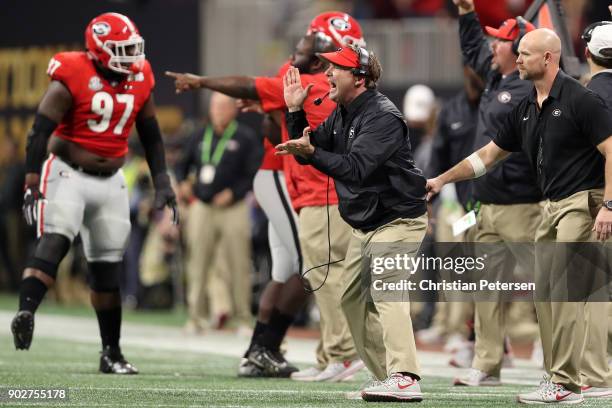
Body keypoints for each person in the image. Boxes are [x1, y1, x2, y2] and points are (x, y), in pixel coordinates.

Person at [166, 12, 365, 381]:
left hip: (306, 184)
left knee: (295, 269)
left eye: (309, 40)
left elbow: (276, 124)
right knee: (309, 267)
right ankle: (286, 349)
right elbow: (272, 128)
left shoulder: (335, 86)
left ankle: (267, 349)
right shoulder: (299, 76)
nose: (300, 45)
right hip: (280, 178)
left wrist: (211, 86)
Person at [426, 28, 612, 404]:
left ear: (548, 58)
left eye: (526, 53)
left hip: (582, 202)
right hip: (552, 206)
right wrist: (440, 179)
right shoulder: (527, 107)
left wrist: (608, 205)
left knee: (565, 293)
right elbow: (487, 156)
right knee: (546, 295)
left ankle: (566, 382)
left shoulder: (581, 99)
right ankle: (562, 378)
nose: (519, 58)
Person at [11, 12, 177, 374]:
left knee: (107, 269)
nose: (133, 55)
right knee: (56, 239)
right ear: (100, 50)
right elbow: (39, 131)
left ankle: (111, 353)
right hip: (68, 173)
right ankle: (26, 311)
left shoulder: (140, 76)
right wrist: (30, 180)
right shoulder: (72, 72)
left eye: (134, 47)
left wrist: (162, 179)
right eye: (123, 49)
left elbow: (150, 133)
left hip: (112, 180)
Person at [278, 45, 428, 402]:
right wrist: (296, 111)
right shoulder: (345, 112)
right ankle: (385, 376)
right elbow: (309, 149)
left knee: (386, 290)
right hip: (368, 222)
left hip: (398, 218)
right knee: (352, 301)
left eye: (336, 68)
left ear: (359, 78)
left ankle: (405, 375)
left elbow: (354, 168)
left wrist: (312, 153)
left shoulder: (382, 116)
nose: (328, 74)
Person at [449, 0, 543, 387]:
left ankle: (559, 360)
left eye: (502, 42)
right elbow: (473, 48)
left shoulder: (530, 88)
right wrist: (467, 12)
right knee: (485, 291)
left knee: (549, 289)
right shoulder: (497, 78)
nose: (492, 47)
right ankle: (487, 363)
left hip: (523, 202)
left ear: (520, 50)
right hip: (486, 202)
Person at [175, 92, 262, 329]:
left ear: (234, 110)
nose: (219, 111)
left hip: (233, 207)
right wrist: (182, 183)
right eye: (215, 106)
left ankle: (243, 318)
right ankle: (196, 317)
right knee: (198, 261)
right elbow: (182, 164)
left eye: (224, 107)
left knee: (239, 263)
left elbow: (253, 172)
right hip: (202, 206)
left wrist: (234, 193)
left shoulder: (245, 137)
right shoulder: (199, 135)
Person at [579, 21, 612, 398]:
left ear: (587, 53)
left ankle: (597, 374)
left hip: (602, 197)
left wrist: (607, 203)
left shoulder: (593, 95)